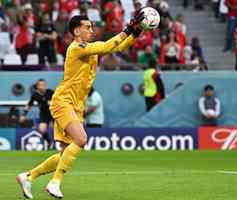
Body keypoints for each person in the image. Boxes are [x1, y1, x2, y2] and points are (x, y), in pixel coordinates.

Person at [16, 11, 144, 199]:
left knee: (65, 153)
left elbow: (118, 47)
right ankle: (55, 183)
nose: (92, 30)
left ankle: (28, 176)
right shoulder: (76, 47)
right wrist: (127, 29)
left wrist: (136, 32)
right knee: (82, 139)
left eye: (92, 27)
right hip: (64, 101)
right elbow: (109, 44)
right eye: (87, 27)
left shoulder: (90, 47)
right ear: (76, 31)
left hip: (76, 105)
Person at [23, 79, 54, 147]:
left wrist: (53, 103)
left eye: (44, 85)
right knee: (42, 129)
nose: (43, 86)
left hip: (54, 112)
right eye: (41, 85)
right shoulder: (35, 95)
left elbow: (59, 100)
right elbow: (29, 105)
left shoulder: (51, 92)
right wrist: (24, 115)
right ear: (37, 86)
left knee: (60, 130)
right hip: (44, 114)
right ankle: (49, 142)